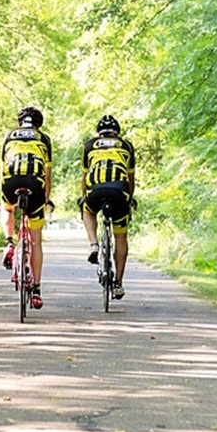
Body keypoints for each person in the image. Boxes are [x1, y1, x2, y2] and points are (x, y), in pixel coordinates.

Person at [0, 105, 53, 309]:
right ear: (38, 124)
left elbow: (2, 170)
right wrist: (46, 198)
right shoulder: (43, 139)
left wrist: (3, 195)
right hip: (35, 186)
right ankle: (37, 290)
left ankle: (10, 243)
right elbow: (46, 174)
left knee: (7, 208)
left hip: (11, 183)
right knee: (36, 242)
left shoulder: (9, 136)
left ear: (20, 123)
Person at [80, 114, 135, 300]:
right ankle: (118, 283)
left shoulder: (90, 146)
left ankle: (94, 245)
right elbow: (130, 179)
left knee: (88, 211)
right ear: (117, 133)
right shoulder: (126, 146)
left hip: (95, 192)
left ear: (99, 133)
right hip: (119, 193)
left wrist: (83, 197)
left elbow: (84, 177)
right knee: (121, 237)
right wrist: (130, 199)